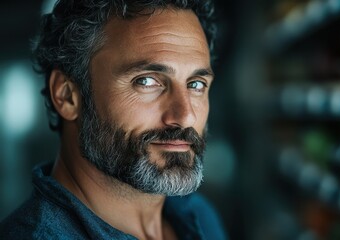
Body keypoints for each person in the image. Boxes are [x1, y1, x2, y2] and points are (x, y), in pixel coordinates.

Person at [0, 0, 226, 239]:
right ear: (67, 96)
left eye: (196, 84)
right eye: (147, 81)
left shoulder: (199, 215)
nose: (186, 116)